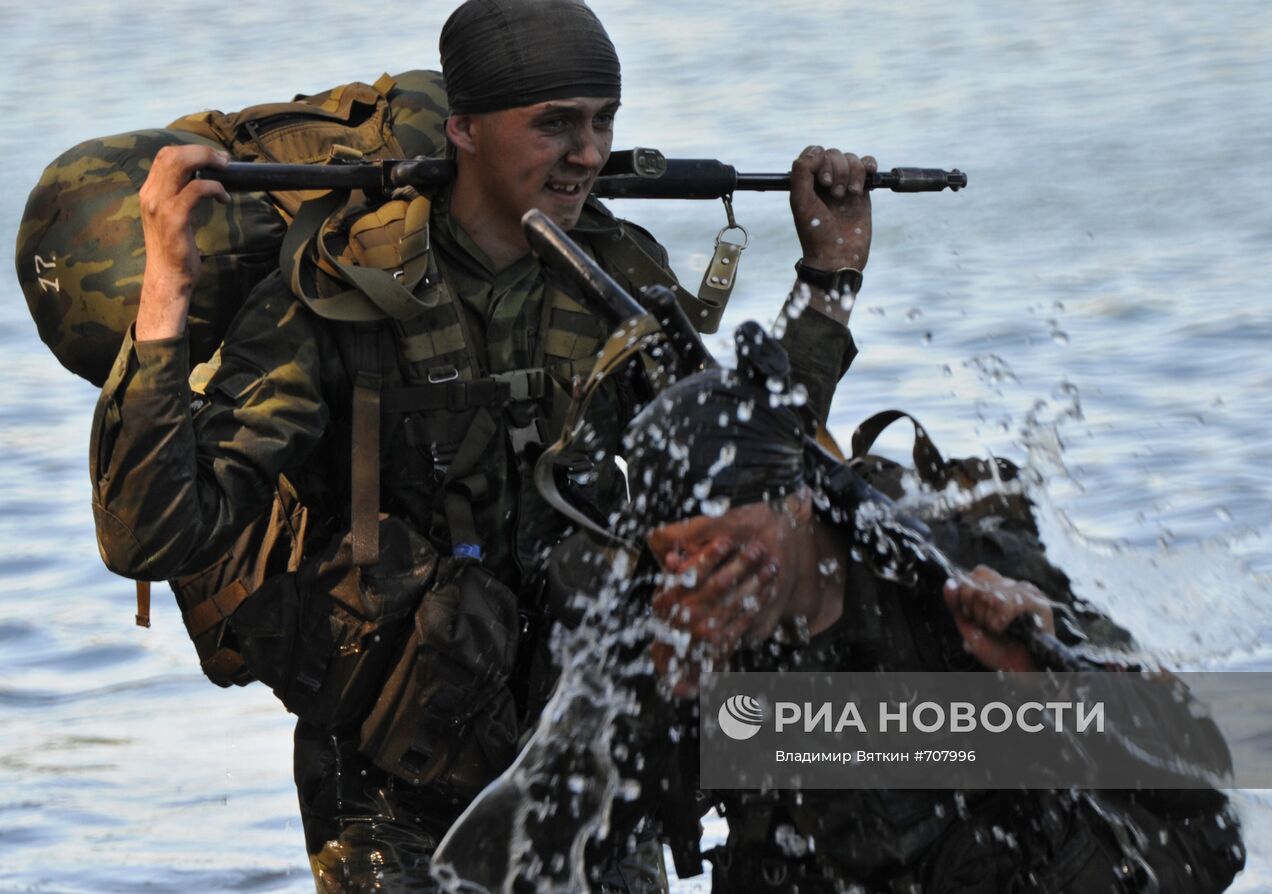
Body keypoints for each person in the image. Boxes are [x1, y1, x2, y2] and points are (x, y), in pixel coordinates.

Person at [88, 1, 879, 890]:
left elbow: (742, 474)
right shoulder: (342, 294)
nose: (589, 152)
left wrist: (829, 279)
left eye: (604, 121)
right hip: (391, 782)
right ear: (464, 129)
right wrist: (166, 290)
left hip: (586, 752)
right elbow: (151, 534)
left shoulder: (616, 275)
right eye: (556, 124)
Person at [612, 322, 1248, 892]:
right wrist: (670, 690)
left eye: (717, 544)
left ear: (795, 501)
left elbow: (1206, 799)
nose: (695, 575)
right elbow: (598, 834)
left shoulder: (954, 576)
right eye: (673, 554)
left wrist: (1045, 683)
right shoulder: (668, 628)